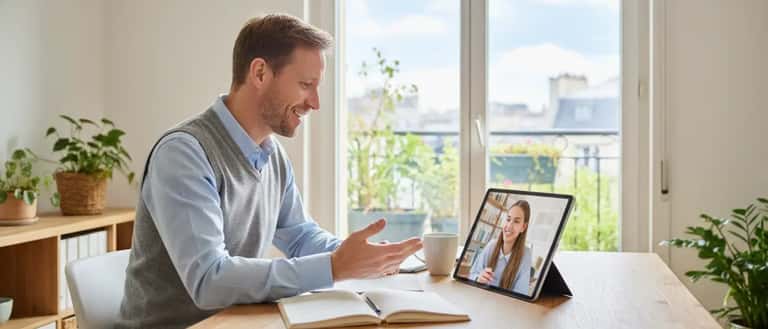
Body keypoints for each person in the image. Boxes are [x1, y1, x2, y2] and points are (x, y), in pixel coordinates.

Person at [116, 14, 422, 329]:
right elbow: (209, 280)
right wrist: (334, 267)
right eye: (306, 85)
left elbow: (300, 235)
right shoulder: (184, 154)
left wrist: (359, 257)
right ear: (260, 72)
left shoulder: (270, 153)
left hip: (237, 322)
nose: (315, 103)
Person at [469, 200, 532, 295]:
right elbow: (472, 274)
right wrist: (478, 278)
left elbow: (521, 294)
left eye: (516, 221)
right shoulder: (492, 245)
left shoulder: (526, 255)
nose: (509, 226)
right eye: (508, 219)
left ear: (523, 227)